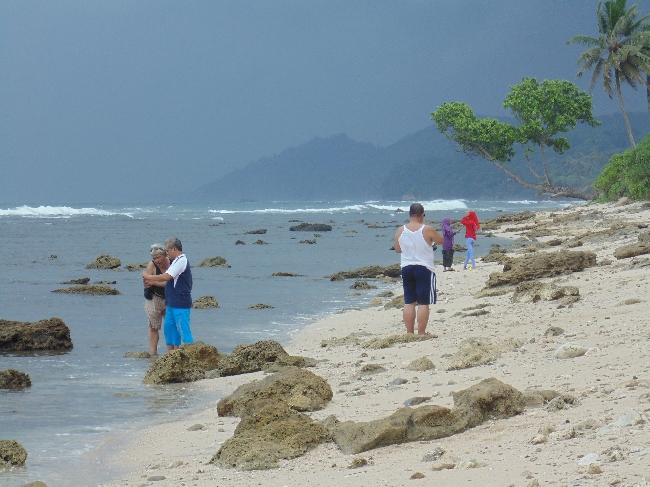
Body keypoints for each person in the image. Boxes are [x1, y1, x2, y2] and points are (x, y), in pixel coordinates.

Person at [393, 203, 444, 335]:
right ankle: (421, 332)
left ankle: (410, 332)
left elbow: (398, 249)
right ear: (422, 215)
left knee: (409, 301)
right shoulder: (427, 229)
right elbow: (440, 241)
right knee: (423, 302)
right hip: (424, 267)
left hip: (407, 267)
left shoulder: (401, 230)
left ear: (409, 215)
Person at [143, 237, 194, 352]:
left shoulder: (181, 260)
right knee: (170, 331)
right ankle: (171, 356)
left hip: (180, 302)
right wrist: (151, 282)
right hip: (171, 303)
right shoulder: (174, 261)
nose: (166, 253)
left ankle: (191, 353)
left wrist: (149, 277)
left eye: (167, 250)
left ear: (174, 249)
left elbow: (167, 277)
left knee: (183, 330)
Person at [142, 244, 170, 355]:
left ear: (165, 255)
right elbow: (147, 281)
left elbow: (171, 284)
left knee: (170, 326)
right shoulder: (151, 265)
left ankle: (171, 352)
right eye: (154, 258)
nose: (157, 260)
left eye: (159, 257)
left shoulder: (172, 264)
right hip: (154, 298)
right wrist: (148, 284)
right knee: (153, 327)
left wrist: (154, 282)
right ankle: (153, 354)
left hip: (170, 298)